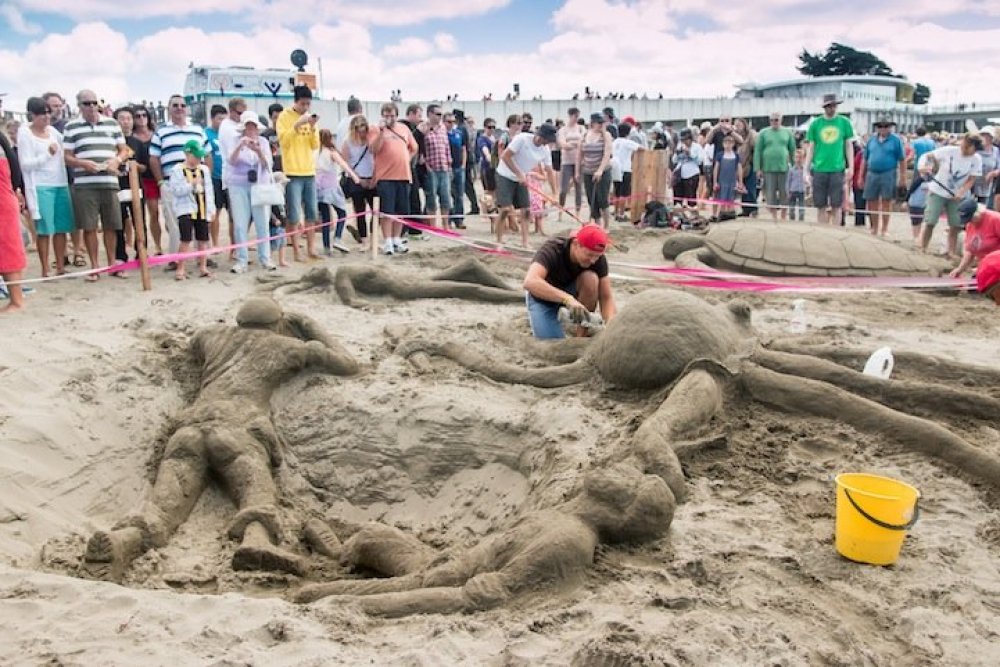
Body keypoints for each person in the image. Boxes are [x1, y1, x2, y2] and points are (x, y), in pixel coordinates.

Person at [82, 297, 360, 581]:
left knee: (163, 506)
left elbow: (195, 342)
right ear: (278, 324)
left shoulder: (210, 336)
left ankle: (125, 539)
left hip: (190, 428)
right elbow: (349, 364)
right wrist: (308, 325)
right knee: (256, 494)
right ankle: (256, 541)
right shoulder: (287, 347)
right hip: (238, 428)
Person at [63, 89, 129, 281]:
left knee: (112, 225)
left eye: (94, 103)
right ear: (79, 106)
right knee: (89, 227)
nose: (91, 106)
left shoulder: (112, 123)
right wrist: (83, 164)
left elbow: (124, 150)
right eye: (87, 103)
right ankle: (94, 267)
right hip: (85, 184)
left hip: (109, 181)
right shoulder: (72, 127)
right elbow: (66, 156)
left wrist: (116, 160)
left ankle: (111, 263)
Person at [522, 225, 617, 339]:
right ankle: (560, 316)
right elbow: (530, 282)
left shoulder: (597, 259)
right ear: (576, 244)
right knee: (553, 344)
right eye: (589, 255)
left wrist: (612, 325)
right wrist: (567, 299)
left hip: (572, 292)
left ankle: (581, 334)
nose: (593, 260)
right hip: (543, 298)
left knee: (591, 279)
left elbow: (606, 297)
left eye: (597, 256)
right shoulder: (553, 249)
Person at [149, 94, 212, 267]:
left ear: (187, 108)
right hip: (172, 182)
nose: (179, 108)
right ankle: (177, 261)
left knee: (201, 220)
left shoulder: (198, 130)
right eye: (175, 105)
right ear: (169, 109)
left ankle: (203, 258)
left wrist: (205, 179)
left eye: (182, 105)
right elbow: (154, 158)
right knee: (176, 224)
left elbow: (207, 154)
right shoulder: (161, 132)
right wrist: (161, 182)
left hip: (197, 183)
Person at [18, 96, 74, 277]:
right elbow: (25, 164)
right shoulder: (25, 133)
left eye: (48, 113)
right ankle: (45, 269)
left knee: (61, 228)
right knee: (44, 229)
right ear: (32, 115)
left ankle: (60, 265)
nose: (46, 117)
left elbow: (66, 149)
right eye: (42, 114)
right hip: (41, 186)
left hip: (60, 183)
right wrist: (47, 155)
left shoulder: (54, 133)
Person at [917, 133, 983, 257]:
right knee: (930, 221)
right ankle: (923, 248)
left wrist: (962, 192)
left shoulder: (976, 159)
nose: (965, 148)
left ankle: (950, 252)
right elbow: (927, 156)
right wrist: (922, 167)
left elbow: (972, 179)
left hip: (957, 196)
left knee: (955, 224)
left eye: (970, 147)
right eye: (965, 144)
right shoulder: (949, 151)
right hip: (938, 191)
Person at [226, 110, 275, 273]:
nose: (251, 129)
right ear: (243, 127)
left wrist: (258, 150)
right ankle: (242, 260)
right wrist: (241, 145)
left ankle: (265, 258)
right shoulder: (235, 140)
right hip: (239, 185)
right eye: (248, 126)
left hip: (260, 184)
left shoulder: (263, 141)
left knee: (262, 222)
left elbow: (268, 164)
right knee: (240, 223)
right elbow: (231, 162)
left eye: (253, 125)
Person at [496, 123, 559, 248]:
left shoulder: (545, 150)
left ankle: (525, 242)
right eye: (547, 139)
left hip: (522, 178)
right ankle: (498, 240)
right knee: (505, 210)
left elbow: (549, 171)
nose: (547, 143)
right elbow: (505, 156)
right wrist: (519, 174)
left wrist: (555, 193)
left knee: (526, 210)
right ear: (540, 135)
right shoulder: (522, 139)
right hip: (505, 174)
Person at [276, 85, 321, 261]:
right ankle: (296, 250)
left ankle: (311, 248)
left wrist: (312, 126)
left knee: (311, 212)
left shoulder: (309, 116)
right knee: (294, 214)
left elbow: (314, 145)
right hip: (292, 171)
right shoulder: (284, 117)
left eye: (308, 104)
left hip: (309, 170)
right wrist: (297, 125)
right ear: (296, 101)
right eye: (303, 103)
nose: (306, 107)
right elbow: (284, 142)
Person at [370, 102, 418, 255]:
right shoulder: (375, 129)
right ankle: (387, 241)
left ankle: (397, 238)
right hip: (385, 176)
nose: (389, 118)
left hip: (403, 174)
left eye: (392, 115)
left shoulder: (404, 128)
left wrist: (407, 158)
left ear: (397, 116)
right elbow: (373, 149)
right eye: (386, 115)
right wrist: (382, 132)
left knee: (401, 210)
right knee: (387, 211)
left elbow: (414, 147)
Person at [167, 140, 215, 280]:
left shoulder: (204, 170)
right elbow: (175, 190)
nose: (199, 159)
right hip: (185, 208)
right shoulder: (177, 170)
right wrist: (192, 184)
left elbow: (209, 190)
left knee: (203, 238)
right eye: (196, 156)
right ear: (187, 154)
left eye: (200, 156)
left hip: (202, 207)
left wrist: (211, 209)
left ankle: (203, 266)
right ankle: (180, 268)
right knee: (185, 239)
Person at [805, 94, 855, 225]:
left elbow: (849, 145)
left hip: (837, 168)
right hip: (819, 168)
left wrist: (851, 167)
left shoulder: (844, 122)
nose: (831, 109)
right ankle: (822, 230)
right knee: (820, 204)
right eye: (828, 106)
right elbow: (811, 147)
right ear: (824, 107)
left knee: (836, 204)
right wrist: (806, 170)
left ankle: (836, 230)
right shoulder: (816, 124)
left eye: (833, 106)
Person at [316, 128, 359, 255]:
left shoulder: (314, 152)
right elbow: (343, 164)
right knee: (342, 212)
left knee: (326, 218)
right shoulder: (331, 152)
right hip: (330, 186)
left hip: (318, 187)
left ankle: (326, 247)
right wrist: (354, 176)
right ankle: (337, 238)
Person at [862, 118, 906, 237]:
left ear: (890, 127)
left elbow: (902, 159)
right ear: (877, 128)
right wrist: (861, 176)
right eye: (880, 126)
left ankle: (884, 228)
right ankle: (874, 227)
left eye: (886, 126)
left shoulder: (896, 140)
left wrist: (903, 177)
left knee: (886, 200)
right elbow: (865, 159)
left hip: (889, 172)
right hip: (872, 173)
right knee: (872, 201)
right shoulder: (871, 140)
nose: (883, 129)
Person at [340, 115, 377, 251]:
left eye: (364, 129)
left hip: (372, 177)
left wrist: (374, 178)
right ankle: (364, 240)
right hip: (356, 179)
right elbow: (345, 164)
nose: (361, 133)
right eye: (358, 130)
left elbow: (377, 158)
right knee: (360, 211)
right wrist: (358, 179)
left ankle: (373, 239)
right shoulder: (348, 142)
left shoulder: (371, 140)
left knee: (376, 211)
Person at [0, 126, 26, 313]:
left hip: (2, 199)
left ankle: (16, 300)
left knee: (7, 248)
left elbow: (15, 169)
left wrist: (15, 189)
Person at [131, 103, 161, 256]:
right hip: (143, 179)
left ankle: (158, 245)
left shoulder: (156, 134)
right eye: (137, 116)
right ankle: (156, 246)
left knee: (163, 213)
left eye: (144, 115)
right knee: (152, 212)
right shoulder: (131, 137)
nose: (141, 119)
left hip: (159, 175)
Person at [754, 112, 796, 220]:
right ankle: (774, 217)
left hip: (784, 167)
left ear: (781, 120)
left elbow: (792, 150)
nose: (774, 122)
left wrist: (795, 166)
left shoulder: (788, 132)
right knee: (770, 193)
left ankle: (783, 216)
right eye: (772, 120)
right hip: (768, 167)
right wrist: (758, 167)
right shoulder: (763, 132)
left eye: (776, 120)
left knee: (784, 192)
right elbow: (758, 151)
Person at [578, 113, 614, 229]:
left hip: (603, 171)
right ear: (592, 123)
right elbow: (580, 154)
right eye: (599, 123)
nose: (601, 125)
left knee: (603, 199)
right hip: (588, 170)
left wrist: (600, 170)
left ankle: (606, 227)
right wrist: (577, 171)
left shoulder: (606, 135)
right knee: (592, 201)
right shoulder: (584, 135)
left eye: (603, 123)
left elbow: (607, 153)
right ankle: (597, 225)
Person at [949, 199, 1000, 278]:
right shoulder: (970, 225)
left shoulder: (995, 219)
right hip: (985, 265)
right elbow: (970, 250)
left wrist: (988, 266)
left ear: (978, 212)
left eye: (971, 218)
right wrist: (960, 269)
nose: (970, 222)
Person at [421, 104, 452, 229]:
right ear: (429, 114)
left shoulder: (443, 128)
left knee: (445, 197)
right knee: (431, 198)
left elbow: (446, 146)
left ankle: (445, 225)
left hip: (444, 167)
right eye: (437, 114)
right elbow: (420, 147)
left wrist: (449, 162)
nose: (440, 117)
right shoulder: (423, 128)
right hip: (431, 168)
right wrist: (426, 165)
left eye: (441, 114)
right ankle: (433, 227)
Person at [204, 104, 229, 252]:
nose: (222, 122)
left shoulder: (226, 133)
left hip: (227, 176)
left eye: (224, 119)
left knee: (232, 212)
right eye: (220, 119)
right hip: (214, 177)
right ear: (212, 118)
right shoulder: (206, 134)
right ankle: (214, 243)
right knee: (215, 212)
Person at [612, 122, 644, 221]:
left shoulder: (615, 142)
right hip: (625, 168)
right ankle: (621, 214)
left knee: (616, 192)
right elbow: (641, 148)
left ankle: (616, 212)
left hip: (615, 168)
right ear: (628, 133)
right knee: (624, 193)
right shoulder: (627, 142)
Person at [557, 108, 584, 220]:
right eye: (574, 116)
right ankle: (561, 209)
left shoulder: (581, 128)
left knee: (579, 187)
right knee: (563, 189)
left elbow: (583, 142)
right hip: (566, 161)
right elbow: (563, 144)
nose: (576, 118)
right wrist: (575, 144)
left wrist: (571, 144)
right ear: (570, 116)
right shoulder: (563, 130)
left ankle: (578, 212)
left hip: (579, 161)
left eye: (577, 116)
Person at [445, 112, 468, 229]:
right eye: (449, 122)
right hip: (447, 168)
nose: (451, 124)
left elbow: (464, 149)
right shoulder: (442, 134)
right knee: (447, 195)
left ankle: (459, 219)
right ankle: (448, 219)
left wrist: (463, 164)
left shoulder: (458, 133)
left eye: (453, 122)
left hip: (459, 167)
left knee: (459, 195)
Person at [713, 134, 743, 219]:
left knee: (731, 197)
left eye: (730, 142)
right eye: (726, 142)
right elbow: (716, 169)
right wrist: (715, 182)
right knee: (722, 197)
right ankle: (722, 213)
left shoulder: (736, 155)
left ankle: (730, 213)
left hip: (732, 180)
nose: (728, 144)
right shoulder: (720, 155)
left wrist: (740, 182)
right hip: (722, 180)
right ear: (723, 144)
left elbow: (739, 168)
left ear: (733, 144)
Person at [672, 128, 703, 208]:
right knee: (678, 198)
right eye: (683, 140)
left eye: (686, 139)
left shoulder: (697, 147)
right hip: (680, 175)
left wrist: (690, 153)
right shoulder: (680, 147)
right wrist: (677, 153)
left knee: (691, 197)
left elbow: (700, 161)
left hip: (692, 174)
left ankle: (693, 215)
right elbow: (674, 160)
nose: (685, 142)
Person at [733, 118, 757, 216]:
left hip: (750, 165)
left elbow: (755, 148)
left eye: (739, 124)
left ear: (744, 125)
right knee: (742, 189)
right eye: (736, 125)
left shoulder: (751, 135)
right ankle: (745, 210)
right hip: (739, 166)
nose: (738, 127)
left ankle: (753, 209)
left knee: (750, 189)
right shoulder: (734, 137)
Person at [974, 126, 999, 206]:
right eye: (983, 135)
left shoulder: (996, 150)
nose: (985, 137)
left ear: (992, 138)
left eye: (988, 135)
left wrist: (993, 173)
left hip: (986, 185)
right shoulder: (974, 148)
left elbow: (999, 167)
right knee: (968, 207)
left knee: (982, 209)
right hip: (971, 184)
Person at [476, 118, 497, 197]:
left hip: (495, 168)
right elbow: (485, 150)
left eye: (493, 127)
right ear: (484, 127)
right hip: (487, 168)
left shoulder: (494, 138)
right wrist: (488, 157)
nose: (491, 129)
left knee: (496, 192)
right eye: (489, 127)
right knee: (489, 193)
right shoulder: (482, 139)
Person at [786, 149, 807, 221]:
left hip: (801, 190)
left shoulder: (804, 169)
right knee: (791, 207)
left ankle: (801, 219)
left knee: (802, 207)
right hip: (793, 190)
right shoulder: (791, 170)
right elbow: (788, 181)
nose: (798, 159)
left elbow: (807, 179)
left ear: (803, 158)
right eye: (796, 157)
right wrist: (788, 191)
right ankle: (792, 219)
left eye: (800, 157)